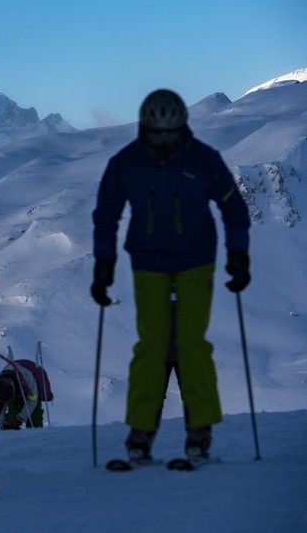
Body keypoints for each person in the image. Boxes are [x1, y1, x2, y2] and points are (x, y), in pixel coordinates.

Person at [91, 89, 251, 462]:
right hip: (148, 262)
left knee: (192, 344)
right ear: (145, 129)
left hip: (197, 260)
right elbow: (106, 215)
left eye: (171, 133)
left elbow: (233, 207)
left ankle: (200, 430)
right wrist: (104, 264)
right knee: (152, 345)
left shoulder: (204, 159)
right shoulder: (126, 163)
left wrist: (238, 254)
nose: (163, 141)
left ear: (182, 128)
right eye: (156, 134)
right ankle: (141, 431)